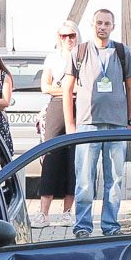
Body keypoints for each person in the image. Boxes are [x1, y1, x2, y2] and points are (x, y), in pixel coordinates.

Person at [70, 9, 131, 237]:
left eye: (107, 23)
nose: (102, 27)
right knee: (85, 181)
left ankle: (110, 226)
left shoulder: (122, 52)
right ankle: (82, 227)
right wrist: (70, 124)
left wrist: (130, 121)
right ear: (92, 25)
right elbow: (66, 89)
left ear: (113, 26)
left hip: (117, 125)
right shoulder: (79, 51)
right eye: (99, 22)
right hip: (87, 124)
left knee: (115, 179)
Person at [36, 22, 79, 225]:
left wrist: (61, 87)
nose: (68, 40)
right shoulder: (52, 58)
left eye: (71, 35)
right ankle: (43, 212)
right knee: (51, 155)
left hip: (79, 107)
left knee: (74, 158)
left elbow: (83, 87)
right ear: (58, 37)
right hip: (56, 106)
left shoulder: (82, 56)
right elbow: (45, 86)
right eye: (63, 36)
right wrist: (68, 89)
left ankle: (67, 211)